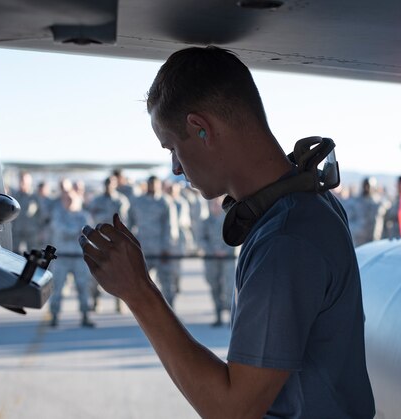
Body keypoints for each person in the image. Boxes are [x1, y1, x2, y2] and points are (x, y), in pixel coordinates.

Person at [78, 46, 374, 418]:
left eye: (173, 147)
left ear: (202, 129)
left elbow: (233, 410)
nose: (174, 168)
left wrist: (138, 292)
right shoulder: (304, 205)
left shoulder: (285, 241)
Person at [49, 183, 96, 328]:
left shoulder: (84, 216)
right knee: (57, 287)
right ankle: (55, 315)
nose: (68, 201)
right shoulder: (57, 214)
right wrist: (75, 231)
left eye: (71, 199)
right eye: (65, 199)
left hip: (78, 257)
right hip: (62, 257)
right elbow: (60, 230)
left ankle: (85, 315)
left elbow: (87, 233)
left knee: (83, 287)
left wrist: (75, 232)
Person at [127, 176, 179, 306]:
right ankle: (146, 310)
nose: (153, 187)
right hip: (142, 248)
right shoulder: (137, 202)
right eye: (151, 184)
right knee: (141, 281)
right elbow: (129, 224)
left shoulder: (165, 202)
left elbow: (171, 226)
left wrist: (167, 248)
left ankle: (170, 310)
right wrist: (130, 246)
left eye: (156, 184)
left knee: (166, 282)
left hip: (161, 249)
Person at [87, 176, 131, 312]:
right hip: (98, 240)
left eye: (111, 184)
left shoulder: (121, 200)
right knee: (96, 272)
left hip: (115, 241)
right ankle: (95, 300)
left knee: (118, 272)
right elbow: (91, 217)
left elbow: (124, 221)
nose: (108, 186)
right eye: (106, 184)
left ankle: (119, 302)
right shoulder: (96, 201)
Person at [199, 196, 238, 327]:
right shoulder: (205, 222)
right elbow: (201, 239)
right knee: (214, 286)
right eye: (212, 204)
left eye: (217, 203)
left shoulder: (228, 219)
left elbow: (235, 237)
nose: (215, 206)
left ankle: (230, 317)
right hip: (211, 259)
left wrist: (225, 251)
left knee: (229, 287)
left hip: (227, 259)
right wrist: (212, 251)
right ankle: (218, 315)